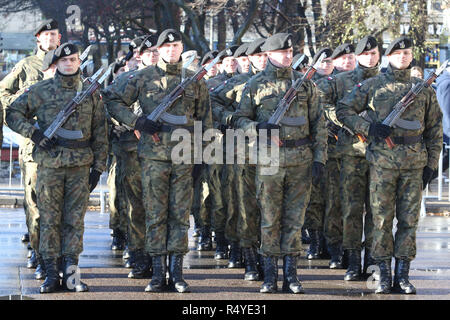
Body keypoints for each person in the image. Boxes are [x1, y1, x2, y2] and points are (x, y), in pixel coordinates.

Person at [103, 29, 213, 293]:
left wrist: (203, 158)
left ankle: (176, 272)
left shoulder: (194, 81)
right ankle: (156, 272)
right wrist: (135, 121)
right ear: (158, 50)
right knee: (155, 215)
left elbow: (205, 122)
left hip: (185, 157)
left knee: (179, 216)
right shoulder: (142, 77)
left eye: (176, 46)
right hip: (153, 158)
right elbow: (111, 99)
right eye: (167, 46)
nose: (172, 50)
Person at [337, 36, 443, 294]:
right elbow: (343, 110)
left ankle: (403, 275)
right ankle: (383, 274)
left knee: (409, 221)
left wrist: (430, 164)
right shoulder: (373, 85)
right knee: (382, 221)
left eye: (407, 53)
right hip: (383, 164)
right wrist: (367, 127)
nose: (403, 57)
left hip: (414, 165)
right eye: (398, 53)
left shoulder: (424, 90)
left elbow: (434, 131)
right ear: (389, 56)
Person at [6, 43, 108, 293]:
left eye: (73, 60)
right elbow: (12, 113)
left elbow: (101, 133)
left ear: (78, 63)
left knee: (75, 221)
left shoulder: (91, 94)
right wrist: (35, 133)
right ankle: (51, 274)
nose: (69, 64)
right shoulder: (40, 90)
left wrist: (98, 168)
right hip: (50, 166)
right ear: (56, 64)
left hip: (81, 166)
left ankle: (72, 274)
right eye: (64, 61)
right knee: (50, 220)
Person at [232, 33, 327, 294]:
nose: (287, 56)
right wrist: (257, 127)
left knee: (295, 220)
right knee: (270, 219)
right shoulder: (254, 85)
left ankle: (292, 276)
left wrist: (320, 158)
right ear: (270, 55)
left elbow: (319, 124)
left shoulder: (306, 85)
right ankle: (270, 276)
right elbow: (238, 120)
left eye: (290, 51)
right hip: (269, 162)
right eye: (282, 52)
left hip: (301, 161)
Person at [0, 18, 61, 275]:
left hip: (63, 146)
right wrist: (22, 106)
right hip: (34, 144)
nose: (50, 38)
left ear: (59, 38)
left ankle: (55, 257)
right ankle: (37, 251)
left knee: (59, 206)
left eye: (54, 34)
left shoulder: (69, 63)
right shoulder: (26, 66)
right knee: (34, 203)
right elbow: (3, 93)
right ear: (38, 38)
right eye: (45, 34)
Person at [211, 37, 268, 277]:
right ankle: (240, 248)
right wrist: (230, 120)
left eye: (263, 56)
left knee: (268, 206)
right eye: (245, 58)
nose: (251, 62)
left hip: (273, 152)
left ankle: (268, 255)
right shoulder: (238, 83)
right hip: (240, 150)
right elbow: (213, 102)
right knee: (238, 202)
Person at [325, 36, 380, 279]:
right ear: (358, 57)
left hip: (382, 154)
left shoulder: (388, 81)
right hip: (350, 153)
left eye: (374, 53)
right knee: (351, 208)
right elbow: (325, 107)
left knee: (378, 210)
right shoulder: (339, 81)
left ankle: (372, 259)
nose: (369, 57)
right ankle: (352, 259)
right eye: (365, 54)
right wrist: (353, 124)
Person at [318, 43, 357, 269]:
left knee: (354, 203)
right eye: (343, 58)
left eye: (351, 57)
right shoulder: (327, 84)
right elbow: (322, 108)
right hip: (333, 151)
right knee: (333, 201)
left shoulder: (365, 83)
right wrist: (343, 120)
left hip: (359, 152)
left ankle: (353, 248)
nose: (348, 61)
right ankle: (335, 248)